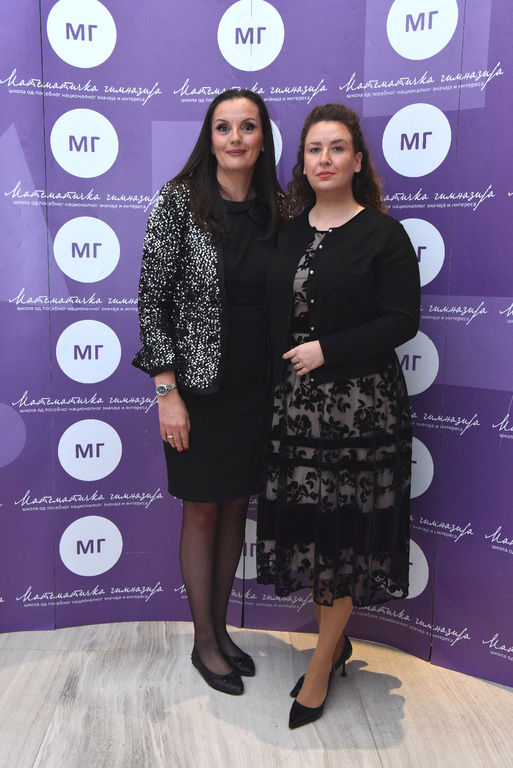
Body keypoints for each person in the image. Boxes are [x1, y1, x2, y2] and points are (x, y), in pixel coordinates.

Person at [257, 103, 420, 727]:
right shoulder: (286, 231)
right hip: (296, 412)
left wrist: (327, 349)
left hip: (360, 414)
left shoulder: (383, 235)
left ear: (357, 160)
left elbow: (402, 321)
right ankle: (335, 643)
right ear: (302, 162)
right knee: (316, 540)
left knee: (344, 544)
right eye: (314, 149)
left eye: (337, 148)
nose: (324, 159)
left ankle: (321, 666)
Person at [133, 89, 282, 696]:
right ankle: (204, 643)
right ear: (209, 137)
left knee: (234, 509)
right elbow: (152, 301)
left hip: (256, 387)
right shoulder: (179, 201)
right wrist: (166, 391)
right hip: (195, 390)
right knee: (201, 510)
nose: (235, 138)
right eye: (224, 127)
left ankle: (220, 631)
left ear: (263, 139)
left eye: (248, 127)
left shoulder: (277, 209)